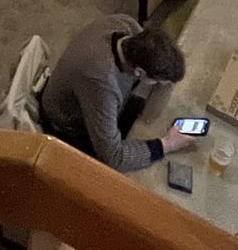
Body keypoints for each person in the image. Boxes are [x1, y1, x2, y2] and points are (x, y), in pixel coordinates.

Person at [39, 15, 192, 172]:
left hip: (84, 97)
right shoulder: (102, 82)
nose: (159, 85)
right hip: (66, 126)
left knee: (143, 120)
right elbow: (113, 156)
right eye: (157, 82)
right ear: (139, 71)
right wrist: (166, 144)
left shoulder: (126, 25)